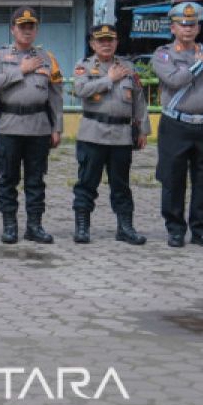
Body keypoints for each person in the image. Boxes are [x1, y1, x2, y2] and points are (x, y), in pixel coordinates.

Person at [153, 1, 203, 248]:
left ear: (198, 27)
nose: (187, 29)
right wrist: (199, 64)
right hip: (176, 124)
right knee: (173, 179)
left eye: (192, 24)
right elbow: (174, 81)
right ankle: (175, 229)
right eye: (182, 25)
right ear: (172, 28)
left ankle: (201, 230)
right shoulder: (164, 54)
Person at [0, 7, 63, 245]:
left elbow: (56, 95)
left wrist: (57, 127)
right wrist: (22, 70)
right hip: (9, 127)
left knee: (36, 179)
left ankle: (34, 226)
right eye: (22, 27)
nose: (27, 31)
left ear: (36, 30)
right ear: (13, 29)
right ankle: (10, 226)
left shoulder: (47, 58)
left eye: (31, 27)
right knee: (8, 179)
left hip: (38, 127)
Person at [71, 23, 149, 245]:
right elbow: (81, 90)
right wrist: (109, 80)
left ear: (116, 42)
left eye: (110, 40)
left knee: (121, 185)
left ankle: (125, 227)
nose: (106, 44)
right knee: (87, 183)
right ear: (92, 44)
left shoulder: (127, 67)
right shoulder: (84, 66)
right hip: (93, 134)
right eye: (101, 40)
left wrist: (142, 129)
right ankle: (82, 227)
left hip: (121, 135)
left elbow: (139, 100)